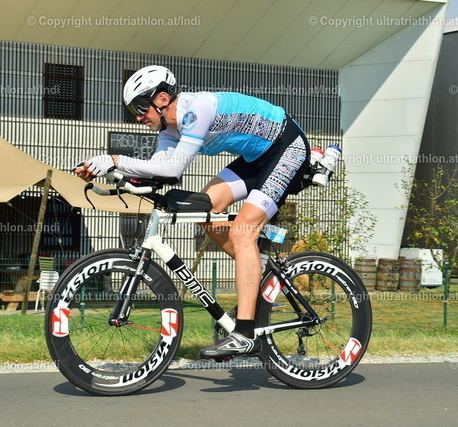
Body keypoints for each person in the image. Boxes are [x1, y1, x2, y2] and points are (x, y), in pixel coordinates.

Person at [75, 65, 310, 359]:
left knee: (242, 233)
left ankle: (246, 334)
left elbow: (173, 169)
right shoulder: (169, 130)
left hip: (287, 147)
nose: (137, 117)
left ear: (162, 99)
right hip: (256, 158)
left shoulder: (195, 110)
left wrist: (115, 160)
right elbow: (159, 170)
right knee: (203, 209)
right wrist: (112, 174)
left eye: (140, 107)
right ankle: (256, 275)